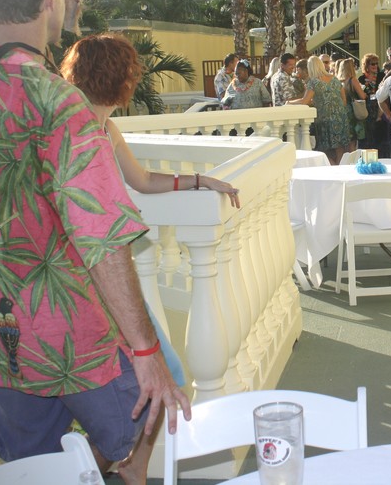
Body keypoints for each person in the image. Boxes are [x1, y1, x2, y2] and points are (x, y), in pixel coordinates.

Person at [0, 0, 190, 484]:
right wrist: (145, 349)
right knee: (148, 413)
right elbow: (103, 237)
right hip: (68, 330)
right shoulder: (56, 101)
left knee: (34, 470)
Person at [60, 33, 240, 479]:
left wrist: (199, 180)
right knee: (154, 376)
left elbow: (140, 180)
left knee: (161, 375)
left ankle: (131, 467)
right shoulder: (73, 127)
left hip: (105, 276)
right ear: (121, 77)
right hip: (88, 280)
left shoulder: (104, 127)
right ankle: (94, 468)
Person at [289, 55, 351, 164]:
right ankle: (340, 168)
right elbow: (344, 100)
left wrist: (289, 103)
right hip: (340, 117)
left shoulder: (313, 82)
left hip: (324, 119)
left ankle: (332, 168)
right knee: (340, 148)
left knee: (324, 151)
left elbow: (305, 101)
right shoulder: (335, 79)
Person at [337, 58, 367, 152]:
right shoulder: (352, 80)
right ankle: (353, 158)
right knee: (353, 141)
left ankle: (347, 158)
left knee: (347, 139)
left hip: (343, 111)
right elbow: (362, 96)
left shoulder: (339, 81)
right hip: (353, 111)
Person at [358, 53, 385, 150]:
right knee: (367, 138)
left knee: (379, 139)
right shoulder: (361, 79)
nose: (375, 66)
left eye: (376, 63)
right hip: (367, 110)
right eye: (372, 64)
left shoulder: (382, 76)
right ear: (366, 65)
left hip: (379, 108)